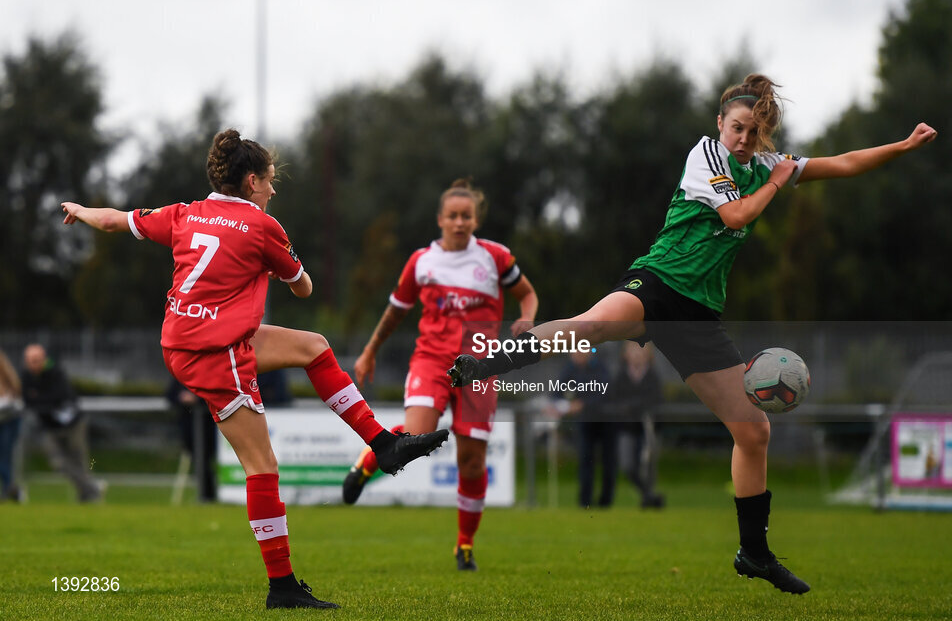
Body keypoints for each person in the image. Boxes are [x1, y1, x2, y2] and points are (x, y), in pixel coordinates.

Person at [450, 74, 938, 594]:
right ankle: (484, 365)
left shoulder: (766, 165)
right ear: (721, 125)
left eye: (754, 131)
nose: (744, 139)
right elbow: (736, 214)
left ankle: (754, 553)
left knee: (753, 432)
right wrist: (779, 178)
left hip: (698, 314)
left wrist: (903, 147)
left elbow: (842, 163)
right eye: (737, 128)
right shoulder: (706, 155)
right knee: (589, 326)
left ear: (764, 132)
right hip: (658, 283)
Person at [61, 128, 449, 609]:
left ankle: (382, 443)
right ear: (250, 182)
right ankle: (282, 587)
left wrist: (79, 211)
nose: (273, 189)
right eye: (269, 180)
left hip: (192, 339)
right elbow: (303, 289)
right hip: (213, 352)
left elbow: (117, 221)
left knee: (313, 346)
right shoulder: (264, 227)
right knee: (262, 467)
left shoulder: (185, 214)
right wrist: (293, 270)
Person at [342, 178, 538, 572]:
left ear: (475, 220)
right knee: (412, 438)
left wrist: (527, 319)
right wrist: (369, 350)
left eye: (467, 216)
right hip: (431, 361)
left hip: (479, 368)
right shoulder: (421, 262)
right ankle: (367, 464)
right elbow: (396, 310)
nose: (460, 222)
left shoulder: (496, 258)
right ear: (440, 220)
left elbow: (527, 294)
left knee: (470, 460)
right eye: (453, 216)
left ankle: (464, 545)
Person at [20, 344, 104, 503]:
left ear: (44, 359)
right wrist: (42, 402)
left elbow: (57, 397)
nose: (34, 364)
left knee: (80, 461)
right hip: (50, 428)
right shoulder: (26, 376)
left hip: (73, 424)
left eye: (37, 360)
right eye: (31, 361)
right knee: (59, 463)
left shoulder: (56, 372)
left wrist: (39, 399)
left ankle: (88, 495)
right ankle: (92, 487)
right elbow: (29, 401)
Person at [555, 349, 617, 508]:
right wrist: (558, 406)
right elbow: (556, 392)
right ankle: (585, 502)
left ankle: (605, 502)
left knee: (608, 462)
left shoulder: (600, 368)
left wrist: (582, 404)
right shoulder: (570, 369)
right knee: (585, 460)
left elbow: (604, 393)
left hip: (605, 422)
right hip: (585, 422)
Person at [610, 341, 665, 509]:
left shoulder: (653, 375)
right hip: (627, 428)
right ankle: (649, 495)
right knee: (627, 464)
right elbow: (615, 400)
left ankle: (648, 498)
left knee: (647, 464)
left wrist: (632, 406)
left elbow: (655, 401)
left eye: (641, 349)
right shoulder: (620, 375)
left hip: (648, 428)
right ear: (625, 354)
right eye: (632, 350)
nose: (636, 354)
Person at [166, 376, 218, 502]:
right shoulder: (180, 374)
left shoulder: (207, 374)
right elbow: (169, 395)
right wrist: (181, 397)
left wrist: (197, 399)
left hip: (208, 426)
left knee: (206, 459)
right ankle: (206, 494)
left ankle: (209, 494)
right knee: (199, 459)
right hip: (188, 427)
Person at [0, 349, 24, 502]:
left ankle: (10, 490)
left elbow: (15, 399)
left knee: (4, 457)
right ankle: (10, 489)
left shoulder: (7, 377)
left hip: (9, 421)